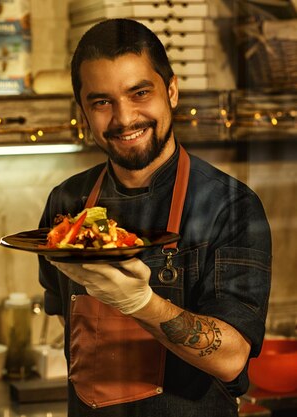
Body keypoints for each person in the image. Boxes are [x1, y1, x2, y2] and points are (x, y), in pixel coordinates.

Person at [38, 19, 272, 417]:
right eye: (102, 102)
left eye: (139, 93)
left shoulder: (230, 205)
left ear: (172, 91)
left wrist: (141, 303)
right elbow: (64, 316)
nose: (124, 118)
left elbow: (232, 358)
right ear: (84, 111)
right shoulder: (67, 202)